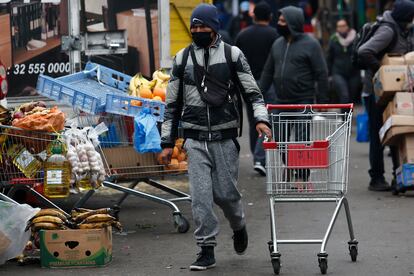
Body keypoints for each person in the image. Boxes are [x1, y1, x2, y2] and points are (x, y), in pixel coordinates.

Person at [159, 4, 272, 271]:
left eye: (203, 26)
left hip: (225, 138)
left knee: (225, 195)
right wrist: (166, 142)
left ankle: (238, 224)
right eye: (194, 26)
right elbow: (171, 105)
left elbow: (253, 93)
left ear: (215, 27)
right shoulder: (182, 59)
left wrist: (261, 120)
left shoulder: (233, 55)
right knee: (200, 196)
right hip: (194, 139)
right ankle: (206, 249)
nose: (198, 31)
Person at [259, 6, 329, 182]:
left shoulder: (311, 44)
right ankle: (292, 166)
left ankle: (302, 175)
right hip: (280, 102)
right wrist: (257, 94)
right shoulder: (277, 43)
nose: (279, 24)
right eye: (279, 20)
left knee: (300, 141)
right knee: (280, 141)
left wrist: (323, 100)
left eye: (283, 21)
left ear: (293, 23)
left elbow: (321, 73)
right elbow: (267, 72)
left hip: (302, 101)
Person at [357, 0, 414, 191]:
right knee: (378, 135)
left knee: (396, 131)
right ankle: (376, 179)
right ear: (406, 17)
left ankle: (399, 176)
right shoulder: (388, 30)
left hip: (395, 91)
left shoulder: (403, 29)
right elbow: (364, 51)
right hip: (376, 92)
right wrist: (384, 71)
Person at [235, 1, 279, 176]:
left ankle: (257, 157)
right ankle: (261, 158)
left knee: (254, 120)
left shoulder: (242, 35)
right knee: (268, 120)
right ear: (270, 16)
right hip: (268, 84)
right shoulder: (275, 35)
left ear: (254, 16)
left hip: (247, 84)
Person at [327, 19, 360, 104]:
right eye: (339, 26)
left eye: (343, 26)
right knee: (344, 95)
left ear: (347, 27)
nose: (342, 28)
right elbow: (329, 57)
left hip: (354, 73)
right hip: (338, 72)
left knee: (352, 97)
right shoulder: (333, 39)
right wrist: (328, 74)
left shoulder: (356, 38)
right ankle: (344, 116)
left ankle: (348, 115)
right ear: (337, 28)